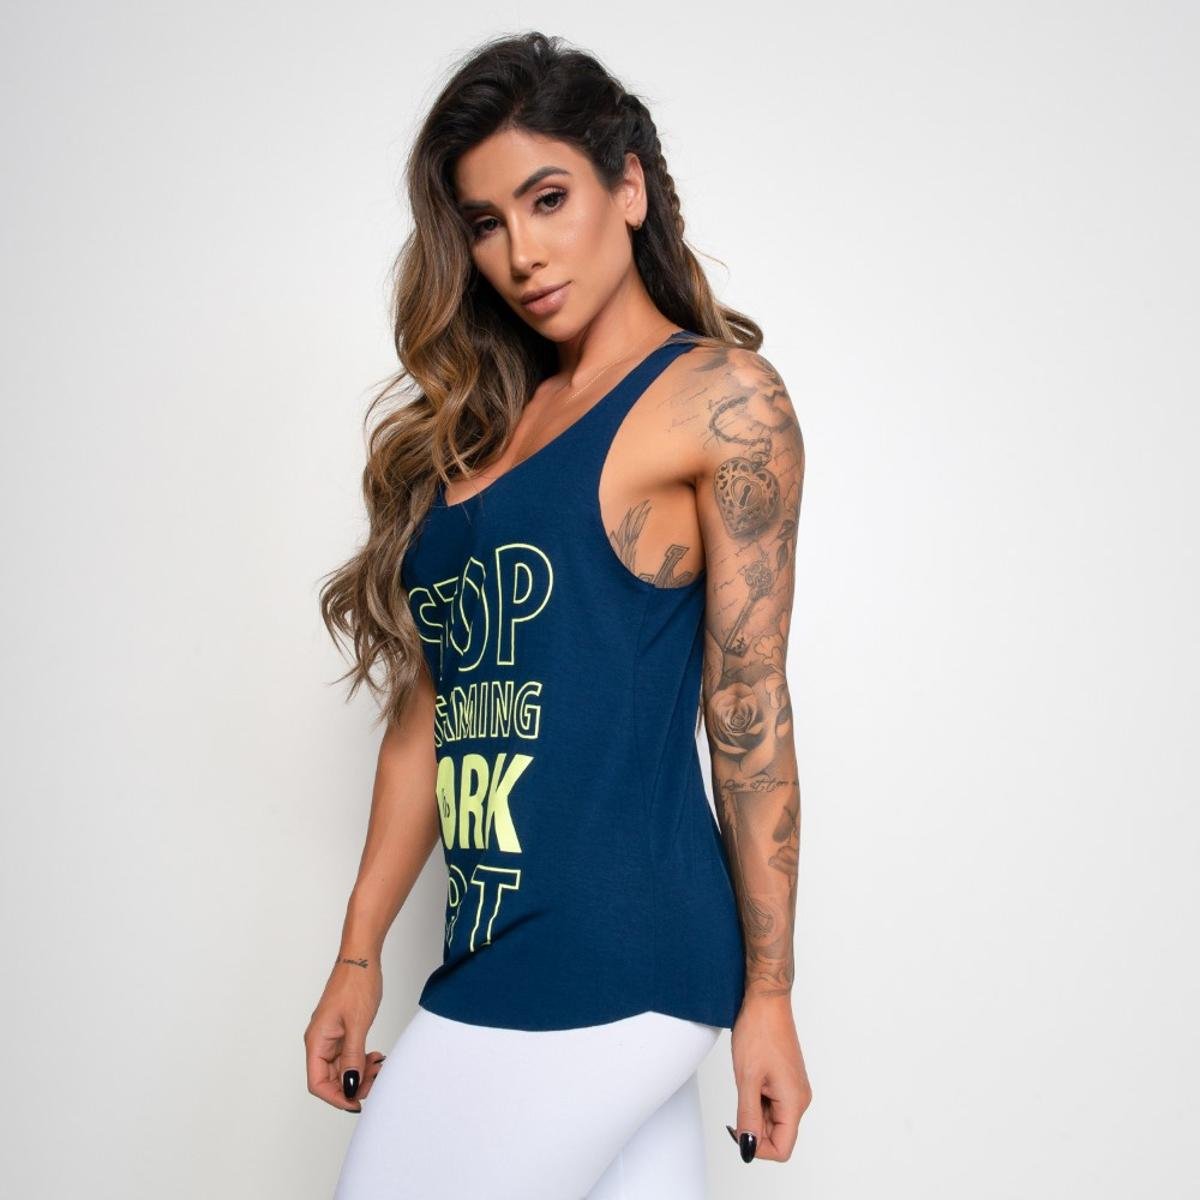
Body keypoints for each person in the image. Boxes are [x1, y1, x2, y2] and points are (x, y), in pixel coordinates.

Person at [305, 30, 812, 1199]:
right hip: (492, 945)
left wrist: (770, 996)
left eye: (548, 199)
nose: (522, 252)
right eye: (486, 223)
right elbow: (430, 715)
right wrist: (359, 953)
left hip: (619, 950)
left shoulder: (717, 401)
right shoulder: (482, 431)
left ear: (627, 187)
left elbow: (749, 713)